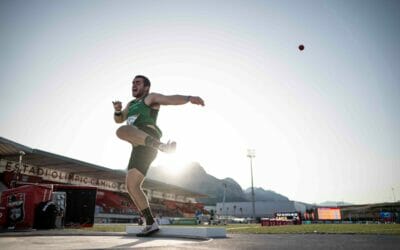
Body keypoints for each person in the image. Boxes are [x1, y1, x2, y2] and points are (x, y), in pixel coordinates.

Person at [113, 75, 204, 236]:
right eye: (132, 83)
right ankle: (151, 223)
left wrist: (189, 98)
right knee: (131, 186)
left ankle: (162, 146)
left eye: (138, 83)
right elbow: (119, 119)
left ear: (146, 87)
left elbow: (169, 99)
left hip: (149, 137)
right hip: (138, 145)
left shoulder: (150, 98)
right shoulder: (131, 104)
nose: (134, 85)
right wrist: (118, 110)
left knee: (121, 131)